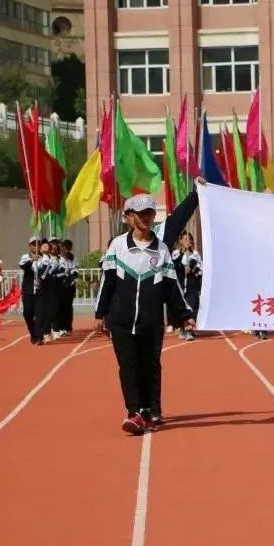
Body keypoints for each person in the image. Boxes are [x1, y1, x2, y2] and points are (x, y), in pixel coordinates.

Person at [95, 183, 201, 435]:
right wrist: (100, 314)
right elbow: (107, 283)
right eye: (140, 214)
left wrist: (185, 315)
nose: (146, 218)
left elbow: (172, 286)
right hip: (121, 319)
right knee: (128, 365)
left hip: (151, 320)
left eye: (149, 213)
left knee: (150, 365)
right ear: (128, 217)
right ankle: (134, 412)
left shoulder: (161, 249)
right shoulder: (118, 246)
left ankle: (151, 408)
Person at [19, 238, 40, 337]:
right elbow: (23, 266)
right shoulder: (25, 257)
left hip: (40, 290)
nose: (35, 246)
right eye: (33, 244)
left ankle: (38, 335)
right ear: (30, 246)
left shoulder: (44, 258)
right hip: (28, 289)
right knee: (27, 313)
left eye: (37, 244)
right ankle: (33, 332)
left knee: (39, 314)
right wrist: (32, 260)